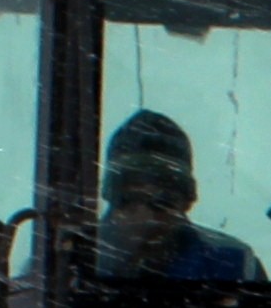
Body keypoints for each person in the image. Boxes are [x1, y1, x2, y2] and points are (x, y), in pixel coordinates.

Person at [95, 110, 261, 283]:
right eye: (128, 201)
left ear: (187, 202)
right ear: (110, 199)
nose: (146, 218)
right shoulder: (80, 257)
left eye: (163, 202)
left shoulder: (233, 263)